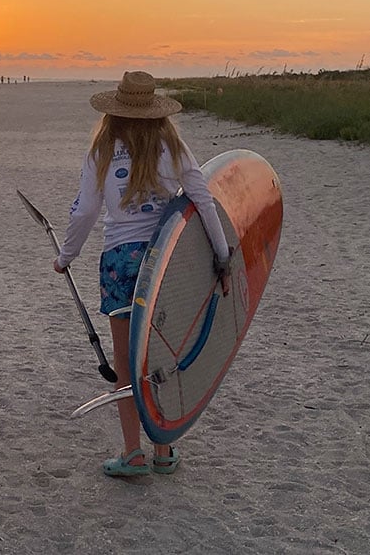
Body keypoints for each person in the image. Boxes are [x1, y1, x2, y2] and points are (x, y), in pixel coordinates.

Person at [54, 71, 231, 478]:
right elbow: (203, 200)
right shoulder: (172, 144)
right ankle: (164, 448)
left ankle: (133, 452)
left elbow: (84, 211)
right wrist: (222, 257)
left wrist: (66, 256)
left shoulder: (102, 149)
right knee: (160, 356)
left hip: (120, 261)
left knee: (125, 363)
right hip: (168, 260)